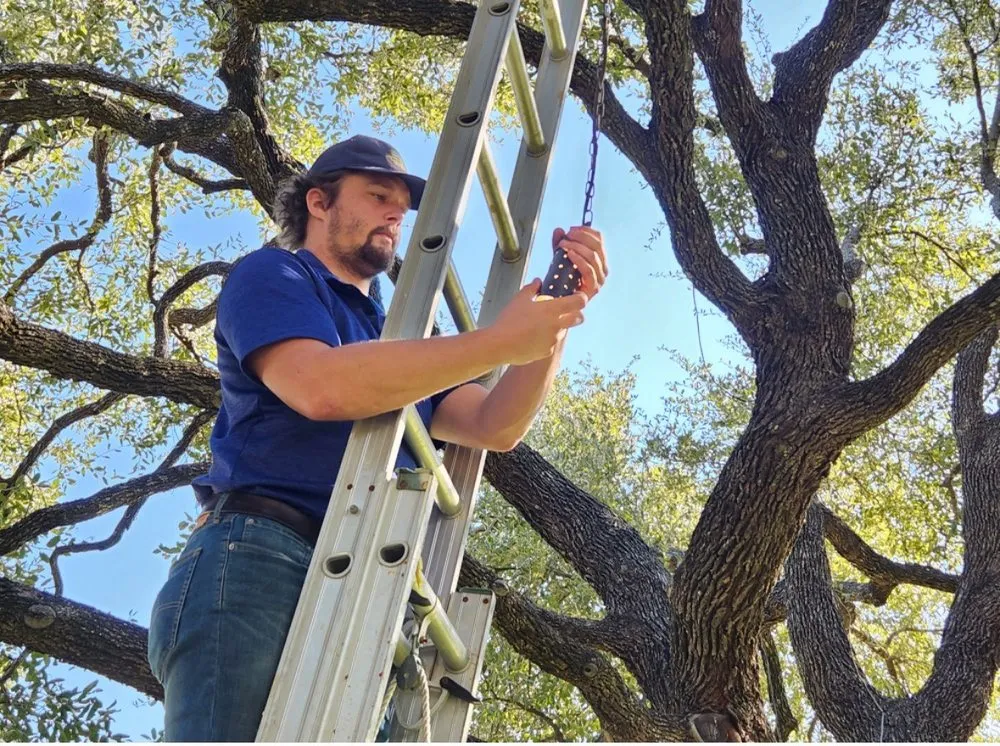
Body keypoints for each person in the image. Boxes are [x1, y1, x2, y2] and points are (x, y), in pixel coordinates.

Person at [146, 134, 608, 742]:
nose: (396, 214)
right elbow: (319, 387)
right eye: (377, 196)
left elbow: (494, 425)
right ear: (319, 202)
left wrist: (557, 315)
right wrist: (497, 342)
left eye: (402, 205)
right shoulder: (274, 273)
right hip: (262, 554)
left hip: (369, 581)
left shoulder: (402, 340)